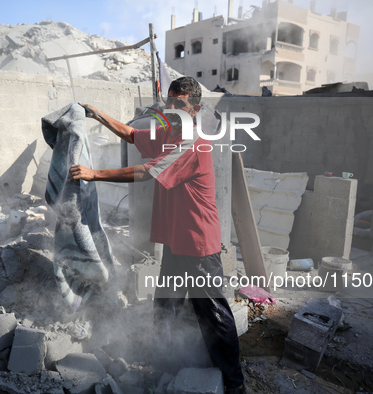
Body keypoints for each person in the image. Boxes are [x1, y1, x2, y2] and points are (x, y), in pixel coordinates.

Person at [69, 77, 245, 394]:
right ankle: (166, 365)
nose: (173, 110)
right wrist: (98, 115)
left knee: (214, 315)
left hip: (198, 244)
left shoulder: (194, 144)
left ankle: (234, 383)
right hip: (176, 243)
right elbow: (133, 135)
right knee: (165, 305)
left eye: (180, 105)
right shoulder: (167, 134)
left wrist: (94, 174)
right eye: (170, 104)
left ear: (196, 108)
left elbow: (146, 172)